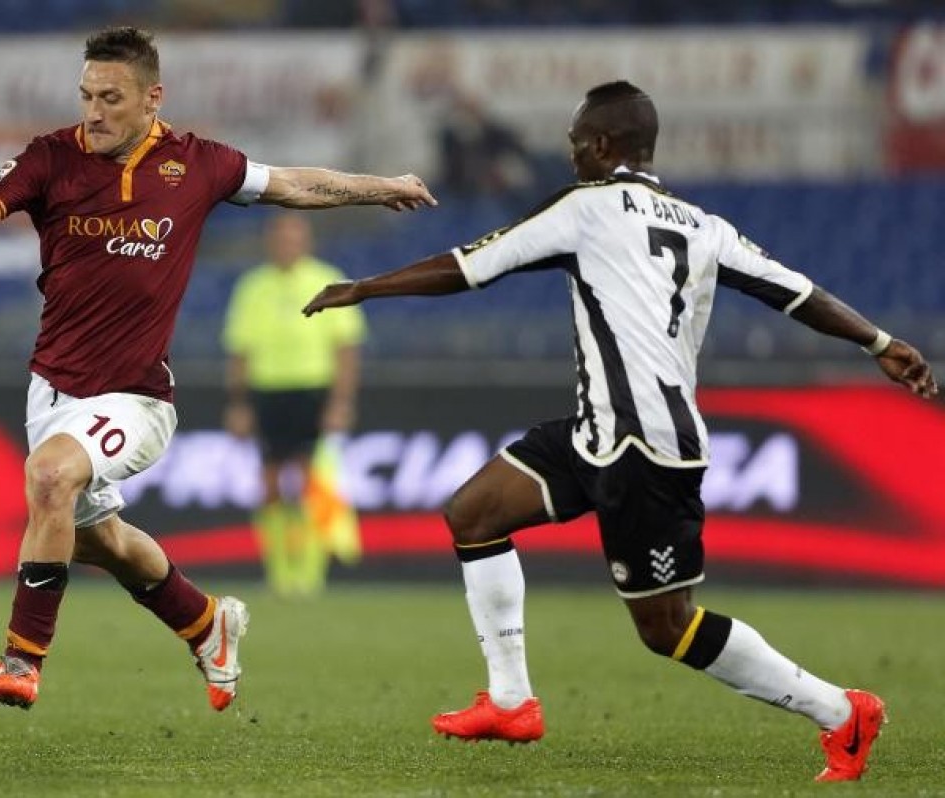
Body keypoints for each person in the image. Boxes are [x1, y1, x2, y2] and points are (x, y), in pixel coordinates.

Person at [304, 80, 936, 781]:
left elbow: (471, 265)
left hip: (645, 446)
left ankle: (842, 712)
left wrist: (366, 287)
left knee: (667, 627)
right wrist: (879, 341)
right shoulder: (705, 226)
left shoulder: (587, 207)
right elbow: (798, 293)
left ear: (603, 146)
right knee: (474, 513)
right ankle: (511, 701)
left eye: (577, 144)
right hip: (598, 432)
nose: (572, 155)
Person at [0, 26, 435, 713]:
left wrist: (382, 187)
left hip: (136, 397)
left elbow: (293, 184)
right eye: (86, 96)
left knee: (50, 477)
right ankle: (206, 624)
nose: (94, 112)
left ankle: (22, 657)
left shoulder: (197, 164)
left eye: (111, 98)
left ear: (152, 98)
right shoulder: (52, 157)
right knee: (98, 540)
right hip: (52, 391)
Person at [223, 213, 366, 597]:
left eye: (293, 237)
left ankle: (309, 574)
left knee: (310, 483)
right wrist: (238, 403)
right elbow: (239, 351)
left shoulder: (328, 280)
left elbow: (346, 349)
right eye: (280, 237)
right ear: (270, 242)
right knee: (269, 483)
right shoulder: (252, 287)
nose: (286, 244)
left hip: (312, 390)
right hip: (267, 391)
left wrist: (340, 402)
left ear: (306, 242)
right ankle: (279, 573)